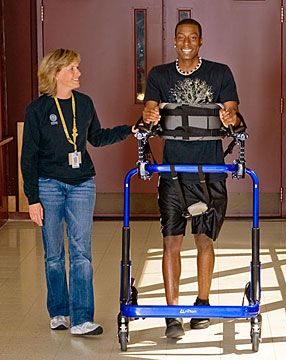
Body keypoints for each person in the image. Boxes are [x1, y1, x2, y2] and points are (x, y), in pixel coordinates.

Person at [21, 48, 135, 336]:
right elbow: (28, 157)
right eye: (72, 68)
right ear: (56, 73)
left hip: (82, 184)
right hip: (48, 185)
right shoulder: (37, 110)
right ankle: (59, 311)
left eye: (77, 68)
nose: (78, 73)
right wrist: (32, 198)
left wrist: (130, 129)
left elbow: (96, 137)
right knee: (53, 255)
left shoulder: (84, 104)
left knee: (81, 252)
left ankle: (82, 319)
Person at [142, 18, 240, 338]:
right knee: (171, 242)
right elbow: (150, 110)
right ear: (174, 41)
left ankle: (202, 304)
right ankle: (173, 315)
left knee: (204, 240)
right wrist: (150, 115)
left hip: (209, 171)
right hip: (173, 172)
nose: (186, 42)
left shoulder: (220, 72)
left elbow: (232, 110)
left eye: (192, 37)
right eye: (181, 37)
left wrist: (230, 115)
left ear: (201, 41)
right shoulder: (159, 75)